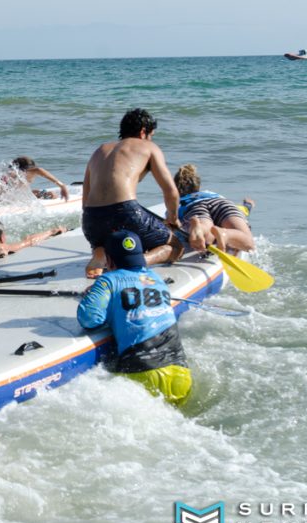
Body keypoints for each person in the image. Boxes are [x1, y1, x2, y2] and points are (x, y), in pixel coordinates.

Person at [76, 230, 192, 407]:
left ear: (108, 260)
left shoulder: (108, 280)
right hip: (181, 373)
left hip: (142, 372)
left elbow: (89, 319)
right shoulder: (155, 279)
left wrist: (93, 295)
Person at [81, 108, 183, 279]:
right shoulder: (148, 147)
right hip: (125, 212)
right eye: (151, 135)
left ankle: (100, 253)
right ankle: (138, 260)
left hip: (91, 219)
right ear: (144, 132)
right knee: (176, 246)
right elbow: (171, 191)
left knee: (110, 238)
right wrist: (173, 218)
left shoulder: (100, 150)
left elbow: (86, 197)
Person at [174, 164, 255, 253]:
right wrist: (247, 205)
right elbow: (242, 210)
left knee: (208, 238)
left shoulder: (178, 203)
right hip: (221, 203)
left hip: (192, 207)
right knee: (248, 243)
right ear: (198, 186)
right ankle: (225, 235)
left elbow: (173, 222)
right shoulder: (210, 193)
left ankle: (200, 228)